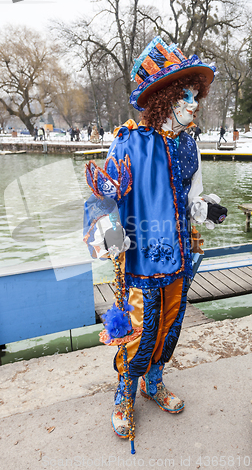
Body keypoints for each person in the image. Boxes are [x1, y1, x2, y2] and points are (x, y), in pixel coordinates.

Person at [84, 36, 228, 439]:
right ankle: (125, 392)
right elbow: (102, 202)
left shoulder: (189, 146)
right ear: (163, 97)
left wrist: (207, 209)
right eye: (184, 95)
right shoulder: (128, 141)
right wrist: (110, 234)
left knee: (170, 326)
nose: (194, 103)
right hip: (141, 260)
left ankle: (154, 382)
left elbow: (192, 199)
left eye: (195, 94)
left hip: (182, 255)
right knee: (139, 332)